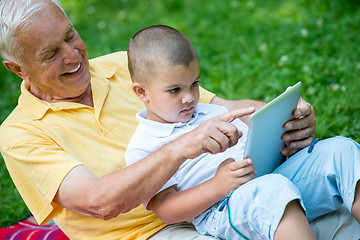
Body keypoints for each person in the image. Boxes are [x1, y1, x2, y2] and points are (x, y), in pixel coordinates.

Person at [0, 0, 319, 239]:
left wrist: (286, 113)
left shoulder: (123, 65)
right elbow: (99, 202)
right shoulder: (19, 134)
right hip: (146, 234)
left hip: (212, 197)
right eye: (51, 54)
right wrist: (183, 146)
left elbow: (225, 108)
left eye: (71, 36)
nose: (72, 55)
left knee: (334, 179)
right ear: (17, 68)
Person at [125, 25, 318, 240]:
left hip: (266, 179)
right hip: (220, 207)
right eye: (175, 90)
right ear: (142, 92)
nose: (189, 97)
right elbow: (166, 210)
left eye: (194, 84)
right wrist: (217, 186)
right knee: (273, 190)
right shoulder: (143, 147)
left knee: (339, 151)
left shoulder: (213, 112)